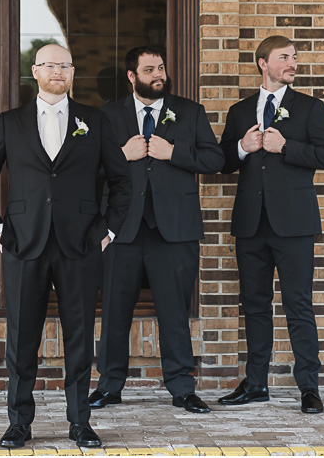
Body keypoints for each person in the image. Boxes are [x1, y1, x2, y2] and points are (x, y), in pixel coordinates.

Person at [0, 44, 131, 449]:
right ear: (35, 71)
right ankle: (19, 423)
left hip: (80, 245)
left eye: (63, 65)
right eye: (49, 65)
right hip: (24, 243)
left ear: (72, 72)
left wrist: (108, 231)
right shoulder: (11, 122)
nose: (56, 71)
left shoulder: (94, 121)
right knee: (22, 338)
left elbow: (122, 181)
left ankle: (80, 422)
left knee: (79, 340)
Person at [91, 46, 223, 414]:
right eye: (149, 69)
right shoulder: (107, 116)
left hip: (175, 230)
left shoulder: (190, 112)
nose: (158, 74)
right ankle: (109, 385)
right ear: (132, 76)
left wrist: (173, 153)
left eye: (161, 67)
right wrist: (123, 154)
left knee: (175, 313)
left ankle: (182, 388)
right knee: (116, 311)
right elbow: (86, 170)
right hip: (121, 230)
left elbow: (215, 159)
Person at [218, 35, 324, 414]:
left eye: (294, 57)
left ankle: (309, 387)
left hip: (295, 224)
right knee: (254, 306)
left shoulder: (309, 107)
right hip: (251, 226)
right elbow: (223, 161)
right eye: (284, 57)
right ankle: (255, 384)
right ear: (263, 64)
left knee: (298, 305)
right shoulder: (239, 111)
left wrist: (285, 146)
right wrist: (243, 148)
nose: (292, 63)